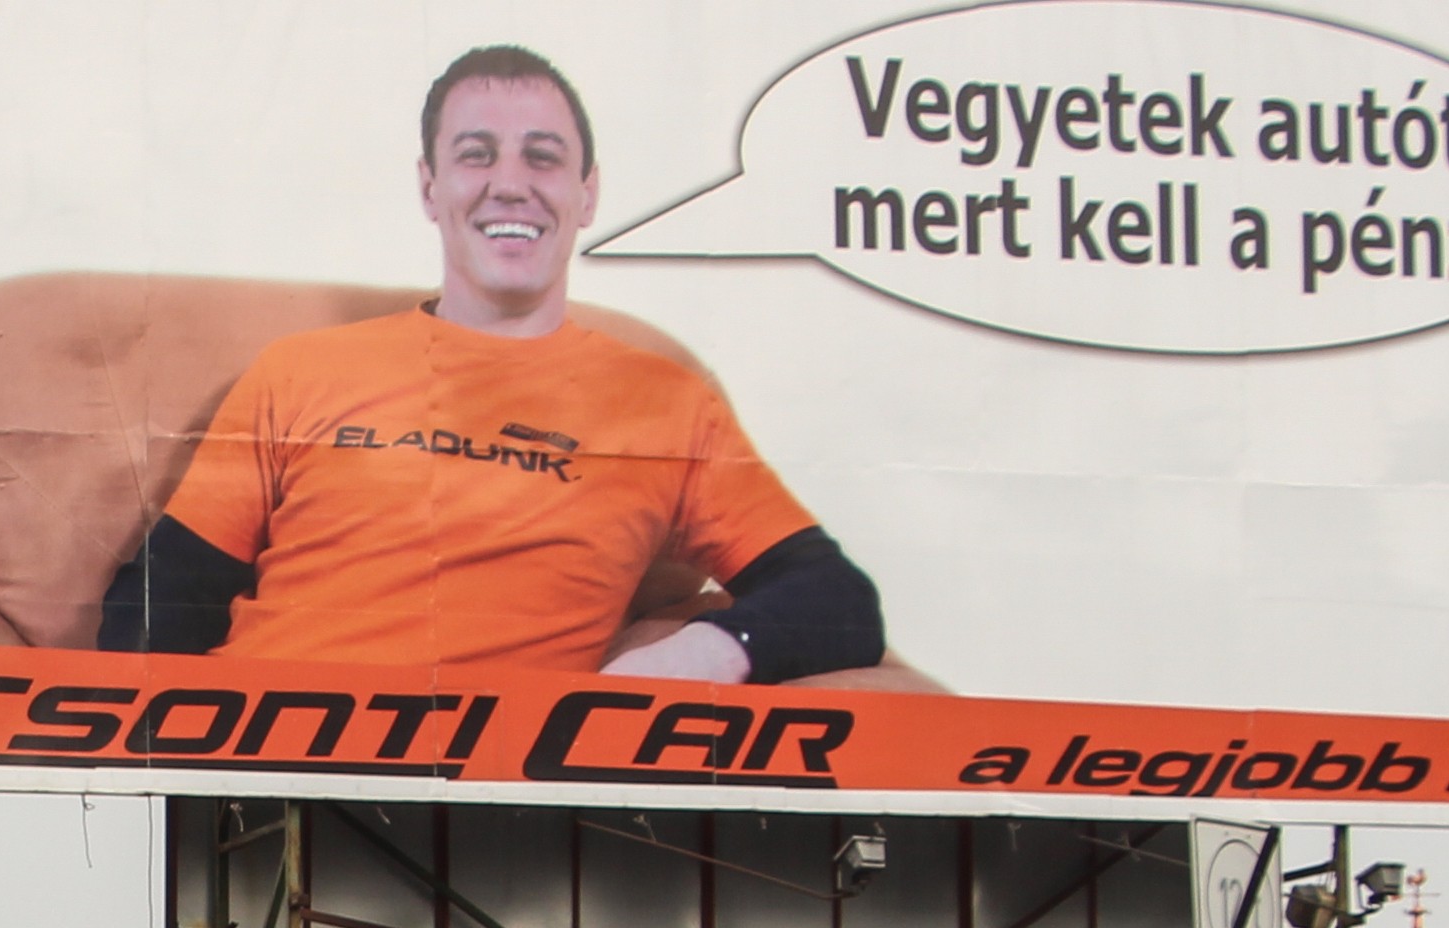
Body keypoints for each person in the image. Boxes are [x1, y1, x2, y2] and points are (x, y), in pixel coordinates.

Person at [100, 45, 901, 687]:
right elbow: (161, 604)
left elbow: (835, 599)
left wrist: (704, 653)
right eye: (475, 155)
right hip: (259, 765)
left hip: (484, 792)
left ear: (588, 194)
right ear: (430, 187)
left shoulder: (666, 404)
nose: (510, 185)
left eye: (542, 158)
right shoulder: (297, 369)